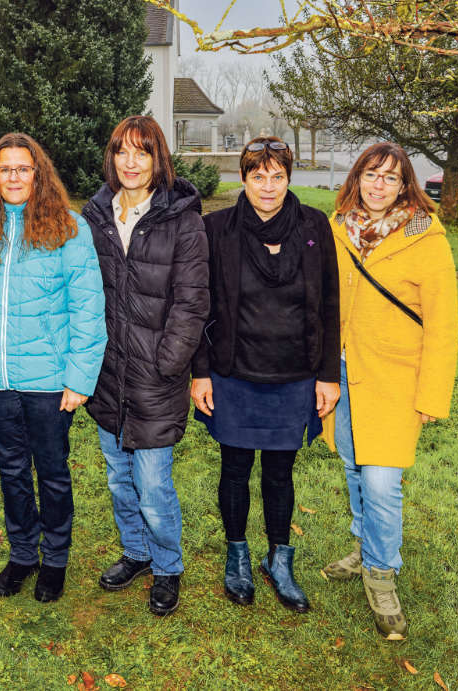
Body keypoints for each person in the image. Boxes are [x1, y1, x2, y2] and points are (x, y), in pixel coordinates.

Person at [0, 133, 107, 604]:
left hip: (49, 382)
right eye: (5, 170)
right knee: (11, 471)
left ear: (37, 175)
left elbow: (88, 309)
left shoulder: (69, 229)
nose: (14, 177)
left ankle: (55, 559)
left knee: (53, 472)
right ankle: (22, 554)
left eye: (23, 169)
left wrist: (80, 378)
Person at [191, 137, 339, 612]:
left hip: (295, 374)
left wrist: (326, 374)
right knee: (234, 468)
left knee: (280, 472)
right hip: (234, 372)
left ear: (289, 178)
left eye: (278, 176)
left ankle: (279, 558)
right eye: (258, 176)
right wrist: (201, 373)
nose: (268, 186)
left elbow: (331, 304)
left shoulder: (315, 226)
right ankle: (236, 556)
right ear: (244, 178)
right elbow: (199, 304)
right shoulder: (216, 229)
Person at [321, 142, 458, 640]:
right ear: (357, 179)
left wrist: (431, 396)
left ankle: (382, 574)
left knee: (382, 481)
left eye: (391, 177)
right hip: (341, 372)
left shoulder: (426, 238)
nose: (379, 185)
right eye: (371, 174)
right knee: (354, 464)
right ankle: (364, 547)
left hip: (398, 378)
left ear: (405, 186)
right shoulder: (337, 229)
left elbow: (443, 325)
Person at [81, 114, 209, 617]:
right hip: (106, 373)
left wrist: (170, 361)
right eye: (121, 152)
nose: (131, 163)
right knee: (118, 477)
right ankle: (135, 552)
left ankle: (167, 565)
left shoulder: (182, 218)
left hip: (157, 374)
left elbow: (193, 300)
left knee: (153, 484)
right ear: (111, 158)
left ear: (158, 159)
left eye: (142, 152)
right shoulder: (95, 215)